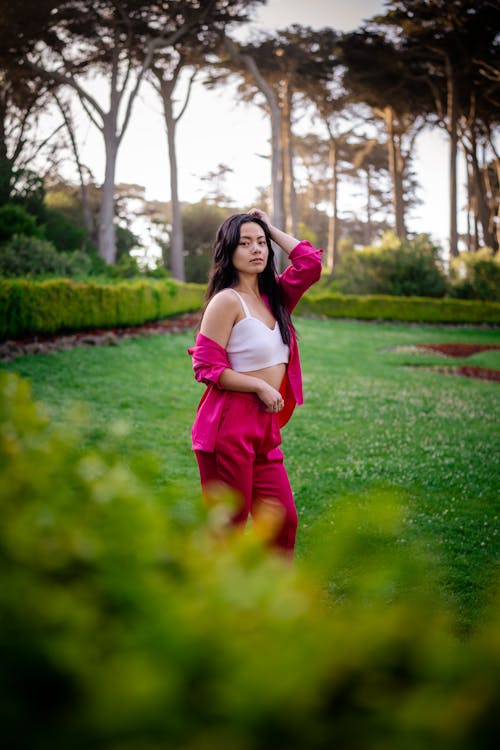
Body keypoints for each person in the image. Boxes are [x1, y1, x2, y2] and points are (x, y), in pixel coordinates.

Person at [188, 208, 322, 556]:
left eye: (261, 243)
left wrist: (270, 226)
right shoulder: (226, 301)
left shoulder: (275, 297)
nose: (256, 249)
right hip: (227, 425)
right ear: (228, 252)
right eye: (245, 243)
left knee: (282, 521)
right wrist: (259, 386)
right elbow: (205, 367)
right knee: (229, 527)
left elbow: (310, 264)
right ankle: (215, 602)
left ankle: (274, 604)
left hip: (264, 426)